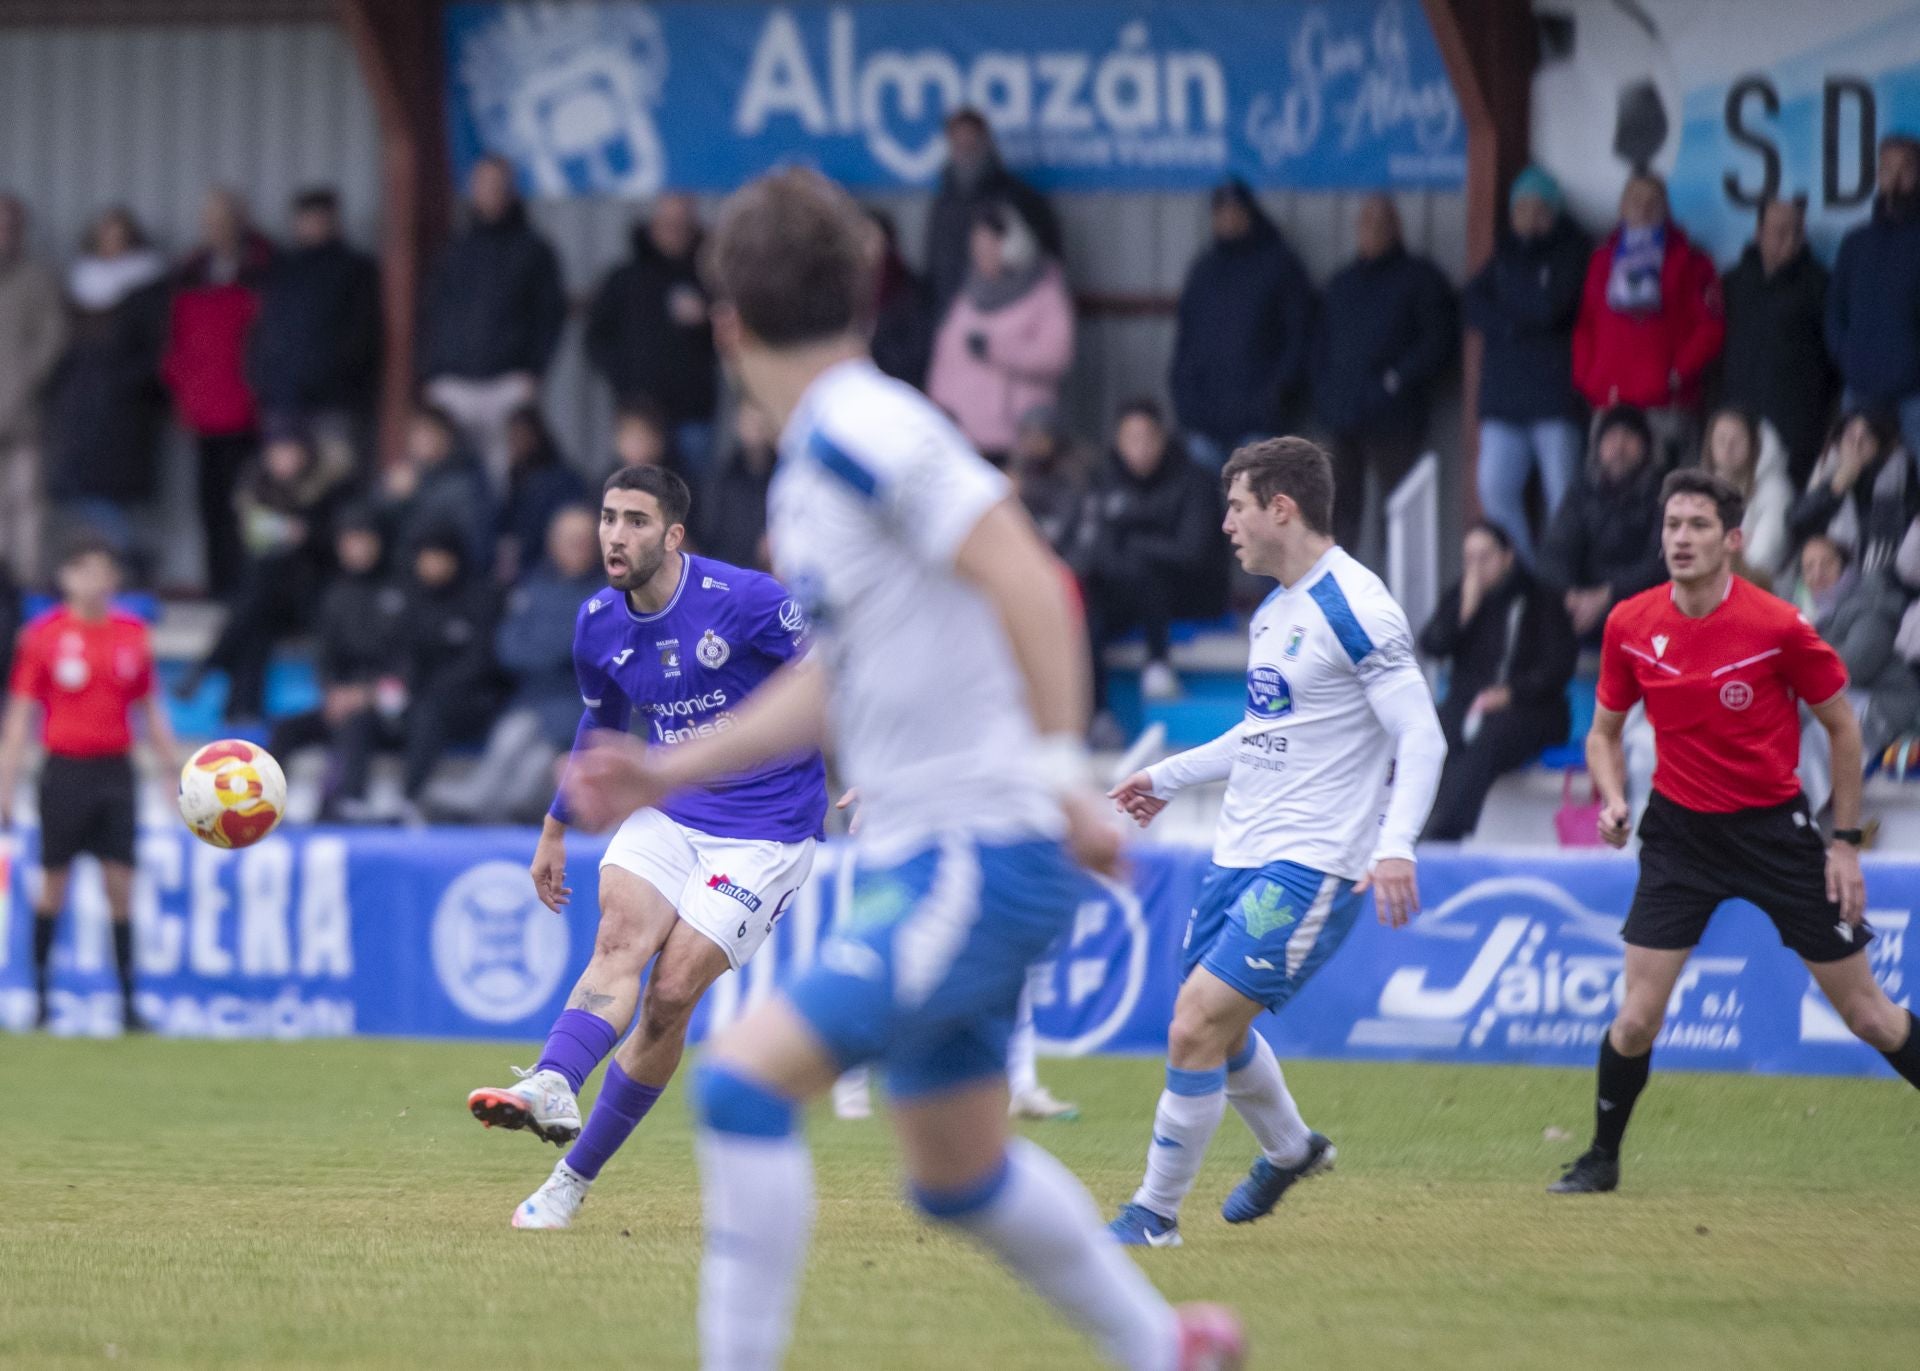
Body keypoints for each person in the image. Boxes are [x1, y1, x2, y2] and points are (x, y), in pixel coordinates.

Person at [562, 168, 1244, 1370]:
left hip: (974, 848)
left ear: (726, 325)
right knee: (958, 1172)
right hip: (931, 852)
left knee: (740, 1088)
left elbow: (1031, 577)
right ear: (870, 292)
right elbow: (837, 680)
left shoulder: (857, 430)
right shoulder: (818, 459)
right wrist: (669, 774)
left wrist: (1062, 779)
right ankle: (1165, 1347)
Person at [1102, 437, 1446, 1248]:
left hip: (1311, 862)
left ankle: (1154, 1215)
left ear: (1281, 508)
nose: (1226, 525)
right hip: (1238, 853)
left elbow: (1422, 734)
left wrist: (1396, 844)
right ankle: (1292, 1150)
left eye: (1236, 507)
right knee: (1215, 1033)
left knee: (1194, 1025)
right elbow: (1264, 732)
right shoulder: (1275, 611)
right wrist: (1168, 775)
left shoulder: (1356, 605)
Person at [466, 466, 829, 1231]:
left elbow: (834, 678)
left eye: (635, 520)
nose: (614, 534)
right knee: (618, 937)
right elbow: (601, 727)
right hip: (671, 808)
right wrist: (555, 825)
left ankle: (571, 1179)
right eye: (607, 517)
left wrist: (865, 774)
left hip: (767, 828)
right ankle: (554, 1080)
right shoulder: (597, 621)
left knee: (669, 997)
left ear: (672, 535)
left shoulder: (748, 599)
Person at [1551, 469, 1919, 1195]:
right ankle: (1600, 1159)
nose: (1681, 538)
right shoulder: (1631, 623)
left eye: (1698, 525)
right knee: (1635, 1021)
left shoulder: (1778, 625)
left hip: (1774, 835)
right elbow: (1603, 734)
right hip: (1679, 838)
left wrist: (1844, 843)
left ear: (1733, 540)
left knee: (1868, 1015)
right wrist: (1615, 800)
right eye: (1672, 525)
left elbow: (1844, 729)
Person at [0, 537, 180, 1031]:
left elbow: (150, 707)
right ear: (66, 578)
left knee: (120, 885)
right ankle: (40, 1002)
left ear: (115, 579)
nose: (95, 581)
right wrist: (5, 783)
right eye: (84, 571)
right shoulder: (43, 636)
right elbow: (20, 716)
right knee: (52, 886)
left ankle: (128, 1006)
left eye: (103, 572)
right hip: (64, 771)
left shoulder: (132, 634)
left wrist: (170, 771)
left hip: (115, 771)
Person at [426, 504, 603, 824]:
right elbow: (509, 648)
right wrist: (560, 648)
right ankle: (472, 809)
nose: (576, 547)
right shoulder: (534, 587)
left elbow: (591, 652)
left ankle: (499, 818)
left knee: (529, 777)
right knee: (511, 737)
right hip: (531, 701)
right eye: (568, 540)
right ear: (552, 543)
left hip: (579, 707)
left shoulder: (608, 594)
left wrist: (551, 648)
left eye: (583, 540)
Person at [1310, 195, 1457, 561]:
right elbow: (1318, 347)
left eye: (1380, 224)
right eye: (1365, 224)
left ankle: (1395, 589)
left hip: (1395, 416)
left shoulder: (1420, 279)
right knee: (1337, 513)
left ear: (1396, 228)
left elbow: (1438, 342)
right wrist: (1326, 397)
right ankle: (1337, 588)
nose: (1372, 231)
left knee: (1398, 510)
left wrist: (1396, 380)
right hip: (1343, 415)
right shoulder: (1342, 283)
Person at [1463, 166, 1590, 566]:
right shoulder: (1504, 251)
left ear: (1553, 211)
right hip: (1504, 399)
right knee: (1494, 488)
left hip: (1554, 399)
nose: (1529, 216)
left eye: (1538, 208)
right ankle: (1523, 573)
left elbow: (1551, 307)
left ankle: (1558, 575)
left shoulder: (1573, 249)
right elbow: (1471, 303)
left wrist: (1509, 312)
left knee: (1562, 494)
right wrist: (1516, 318)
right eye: (1521, 208)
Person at [1418, 521, 1576, 841]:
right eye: (1469, 558)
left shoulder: (1540, 596)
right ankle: (1419, 819)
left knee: (1490, 735)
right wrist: (1464, 611)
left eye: (1485, 557)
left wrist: (1510, 693)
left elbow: (1558, 666)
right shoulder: (1463, 595)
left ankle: (1445, 829)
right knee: (1435, 729)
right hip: (1471, 705)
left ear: (1507, 556)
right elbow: (1432, 644)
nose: (1476, 567)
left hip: (1531, 708)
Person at [418, 156, 567, 490]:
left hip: (507, 383)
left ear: (511, 191)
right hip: (453, 383)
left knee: (504, 479)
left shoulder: (533, 249)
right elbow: (433, 314)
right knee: (446, 475)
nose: (490, 193)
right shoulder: (454, 249)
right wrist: (430, 371)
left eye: (497, 186)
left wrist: (534, 371)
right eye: (483, 186)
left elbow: (549, 316)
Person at [180, 430, 342, 721]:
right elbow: (245, 548)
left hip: (310, 596)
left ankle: (208, 666)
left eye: (288, 451)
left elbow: (340, 545)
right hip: (266, 602)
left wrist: (306, 535)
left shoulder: (327, 491)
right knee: (255, 632)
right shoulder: (256, 490)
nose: (282, 460)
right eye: (276, 453)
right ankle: (242, 715)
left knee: (257, 596)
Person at [160, 187, 275, 596]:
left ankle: (250, 585)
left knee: (251, 501)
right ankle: (218, 581)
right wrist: (183, 393)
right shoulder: (191, 272)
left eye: (224, 221)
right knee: (210, 502)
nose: (217, 229)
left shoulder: (265, 266)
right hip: (204, 410)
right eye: (210, 222)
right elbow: (176, 344)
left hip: (251, 409)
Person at [1074, 400, 1227, 707]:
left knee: (1145, 567)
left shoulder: (1194, 480)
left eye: (1148, 438)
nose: (1140, 449)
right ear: (1117, 441)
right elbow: (1095, 547)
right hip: (1125, 591)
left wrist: (1136, 545)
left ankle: (1158, 665)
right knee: (1091, 594)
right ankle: (1094, 710)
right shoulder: (1104, 480)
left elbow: (1194, 553)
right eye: (1131, 439)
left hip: (1189, 592)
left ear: (1162, 438)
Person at [1572, 174, 1724, 467]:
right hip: (1610, 399)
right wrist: (1588, 378)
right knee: (1607, 486)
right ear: (1622, 207)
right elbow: (1585, 323)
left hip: (1666, 404)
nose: (1643, 209)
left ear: (1666, 208)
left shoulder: (1692, 260)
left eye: (1653, 202)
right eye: (1635, 201)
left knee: (1666, 489)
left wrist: (1678, 373)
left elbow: (1710, 327)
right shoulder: (1602, 259)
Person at [264, 508, 406, 813]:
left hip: (390, 706)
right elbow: (325, 656)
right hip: (342, 699)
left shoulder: (400, 592)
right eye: (350, 540)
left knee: (355, 724)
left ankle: (345, 804)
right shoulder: (334, 594)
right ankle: (265, 804)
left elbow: (408, 663)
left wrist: (366, 695)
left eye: (364, 539)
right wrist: (331, 693)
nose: (358, 548)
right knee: (285, 728)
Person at [46, 208, 170, 556]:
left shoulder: (148, 285)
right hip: (79, 405)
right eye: (106, 235)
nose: (111, 244)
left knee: (111, 496)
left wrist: (122, 384)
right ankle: (112, 562)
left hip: (124, 410)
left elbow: (157, 349)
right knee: (80, 494)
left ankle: (125, 563)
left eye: (119, 237)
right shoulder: (79, 282)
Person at [1170, 179, 1313, 469]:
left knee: (1254, 496)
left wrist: (1278, 395)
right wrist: (1185, 399)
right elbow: (1185, 341)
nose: (1228, 219)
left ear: (1250, 214)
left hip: (1260, 424)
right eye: (1220, 212)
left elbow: (1301, 335)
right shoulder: (1204, 270)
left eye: (1235, 211)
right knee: (1204, 496)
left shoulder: (1280, 265)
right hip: (1205, 423)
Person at [247, 187, 381, 485]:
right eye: (307, 219)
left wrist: (334, 373)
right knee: (285, 486)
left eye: (320, 219)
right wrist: (262, 377)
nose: (313, 226)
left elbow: (363, 334)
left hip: (335, 400)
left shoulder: (355, 269)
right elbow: (263, 327)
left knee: (336, 479)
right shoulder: (281, 269)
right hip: (284, 398)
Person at [926, 202, 1075, 465]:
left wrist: (997, 349)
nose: (983, 253)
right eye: (977, 246)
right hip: (962, 435)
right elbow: (945, 359)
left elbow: (1056, 355)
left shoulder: (1044, 290)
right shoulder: (967, 292)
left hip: (1016, 438)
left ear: (1014, 245)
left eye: (991, 245)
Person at [585, 193, 719, 475]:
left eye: (682, 226)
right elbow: (596, 337)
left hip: (691, 414)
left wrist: (707, 319)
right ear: (653, 226)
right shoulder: (626, 279)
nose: (674, 233)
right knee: (635, 490)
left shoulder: (709, 280)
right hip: (638, 417)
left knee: (691, 491)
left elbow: (734, 342)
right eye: (668, 225)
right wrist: (626, 381)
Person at [1720, 195, 1833, 489]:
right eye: (1780, 231)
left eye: (1797, 232)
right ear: (1759, 233)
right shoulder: (1733, 283)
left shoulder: (1820, 285)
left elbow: (1833, 364)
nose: (1790, 240)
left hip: (1796, 430)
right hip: (1736, 423)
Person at [1825, 133, 1920, 460]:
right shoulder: (1856, 242)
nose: (1895, 178)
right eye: (1887, 169)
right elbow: (1834, 311)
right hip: (1860, 390)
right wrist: (1848, 356)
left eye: (1906, 169)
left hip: (1914, 396)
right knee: (1850, 478)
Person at [1537, 405, 1667, 642]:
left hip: (1642, 611)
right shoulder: (1581, 493)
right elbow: (1556, 551)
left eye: (1629, 437)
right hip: (1582, 610)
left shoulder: (1664, 495)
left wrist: (1608, 595)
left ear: (1645, 446)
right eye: (1611, 437)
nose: (1619, 446)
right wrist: (1569, 595)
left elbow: (1662, 562)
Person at [924, 109, 1062, 317]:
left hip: (1011, 316)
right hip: (952, 318)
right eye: (958, 143)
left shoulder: (1018, 198)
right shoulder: (943, 203)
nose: (965, 150)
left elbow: (1049, 263)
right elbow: (933, 269)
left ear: (986, 142)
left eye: (971, 142)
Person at [1800, 534, 1920, 767]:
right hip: (1854, 700)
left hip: (1888, 703)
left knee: (1814, 726)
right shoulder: (1818, 614)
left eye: (1826, 563)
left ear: (1846, 567)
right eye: (1809, 567)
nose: (1817, 573)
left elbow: (1854, 666)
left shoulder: (1870, 603)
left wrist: (1801, 666)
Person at [0, 194, 68, 586]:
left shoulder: (38, 279)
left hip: (25, 415)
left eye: (9, 226)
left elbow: (52, 339)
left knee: (26, 501)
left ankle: (25, 584)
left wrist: (20, 386)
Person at [1789, 410, 1919, 579]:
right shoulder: (1829, 475)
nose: (1856, 445)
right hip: (1819, 578)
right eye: (1850, 436)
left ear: (1880, 446)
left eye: (1867, 437)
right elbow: (1795, 523)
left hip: (1872, 584)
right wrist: (1834, 490)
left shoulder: (1898, 486)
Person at [379, 401, 494, 573]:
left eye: (429, 433)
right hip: (400, 575)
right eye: (417, 434)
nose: (423, 441)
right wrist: (393, 498)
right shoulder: (401, 476)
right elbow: (371, 526)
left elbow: (476, 546)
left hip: (446, 576)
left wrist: (412, 498)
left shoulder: (463, 485)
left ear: (446, 438)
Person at [1698, 407, 1793, 586]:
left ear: (1754, 444)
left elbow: (1764, 557)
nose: (1728, 447)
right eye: (1721, 439)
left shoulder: (1775, 490)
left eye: (1737, 440)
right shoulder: (1700, 490)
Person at [494, 404, 584, 584]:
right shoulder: (516, 476)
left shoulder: (562, 478)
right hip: (524, 566)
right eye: (513, 437)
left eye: (523, 436)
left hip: (554, 561)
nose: (518, 443)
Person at [698, 401, 777, 570]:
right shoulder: (723, 476)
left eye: (761, 421)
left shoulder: (784, 476)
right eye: (749, 420)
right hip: (731, 566)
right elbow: (711, 529)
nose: (756, 428)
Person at [1009, 404, 1088, 562]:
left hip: (1061, 559)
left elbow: (1059, 531)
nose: (1032, 443)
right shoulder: (1022, 468)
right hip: (1024, 556)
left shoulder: (1071, 475)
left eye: (1038, 437)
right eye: (1027, 436)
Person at [867, 208, 933, 389]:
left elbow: (915, 351)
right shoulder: (851, 287)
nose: (867, 249)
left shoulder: (907, 288)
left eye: (872, 239)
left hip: (897, 386)